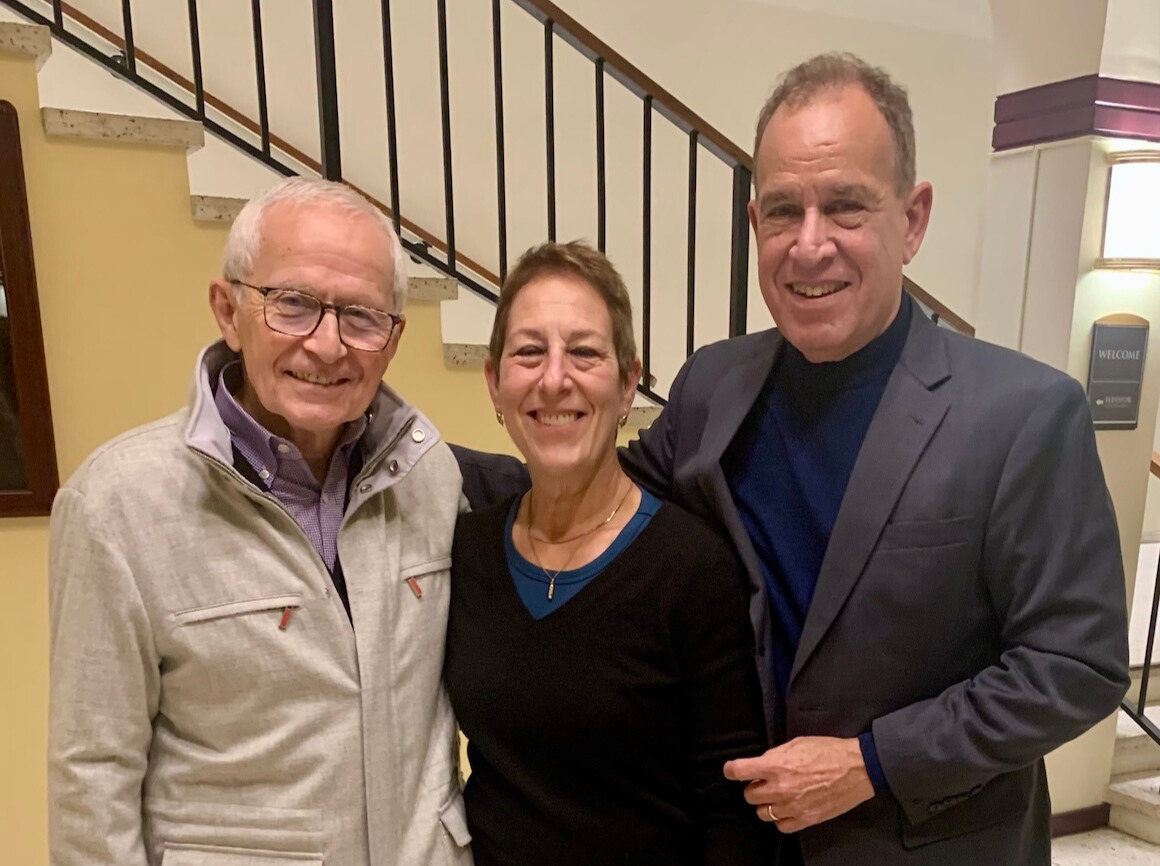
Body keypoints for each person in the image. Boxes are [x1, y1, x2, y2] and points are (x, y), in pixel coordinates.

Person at [454, 54, 1130, 865]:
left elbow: (1075, 666)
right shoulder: (716, 383)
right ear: (755, 224)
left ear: (912, 220)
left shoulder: (1023, 414)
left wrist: (872, 762)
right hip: (753, 840)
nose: (810, 246)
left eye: (845, 206)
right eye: (784, 211)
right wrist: (401, 454)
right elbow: (604, 487)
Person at [48, 178, 472, 866]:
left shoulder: (430, 478)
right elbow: (91, 778)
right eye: (294, 304)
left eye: (362, 317)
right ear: (228, 310)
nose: (328, 346)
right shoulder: (118, 505)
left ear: (393, 340)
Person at [444, 241, 769, 865]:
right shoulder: (467, 551)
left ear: (627, 385)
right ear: (495, 381)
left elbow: (733, 813)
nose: (554, 377)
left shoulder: (691, 569)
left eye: (585, 352)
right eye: (529, 352)